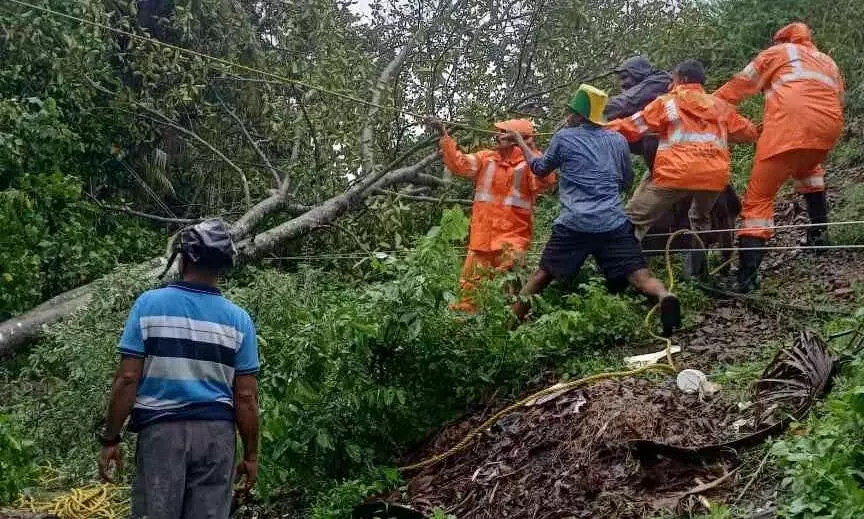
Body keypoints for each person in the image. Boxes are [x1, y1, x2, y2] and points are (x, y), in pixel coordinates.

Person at [97, 219, 260, 519]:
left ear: (183, 258)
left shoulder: (149, 305)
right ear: (222, 266)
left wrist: (111, 438)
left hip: (162, 435)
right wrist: (251, 456)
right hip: (217, 438)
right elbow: (247, 398)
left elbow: (127, 378)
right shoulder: (239, 321)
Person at [509, 84, 681, 336]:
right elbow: (626, 180)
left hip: (574, 223)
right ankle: (664, 295)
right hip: (612, 221)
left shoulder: (564, 138)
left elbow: (539, 168)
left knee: (541, 276)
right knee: (640, 275)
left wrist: (520, 143)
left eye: (572, 113)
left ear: (580, 116)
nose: (568, 117)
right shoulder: (618, 139)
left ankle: (507, 328)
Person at [714, 22, 844, 292]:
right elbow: (836, 95)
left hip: (788, 131)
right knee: (810, 171)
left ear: (781, 40)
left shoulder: (778, 53)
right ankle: (820, 239)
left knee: (758, 201)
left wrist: (706, 103)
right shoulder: (828, 61)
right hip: (827, 132)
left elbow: (741, 84)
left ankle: (747, 278)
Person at [608, 59, 758, 278]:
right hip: (713, 177)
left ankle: (623, 270)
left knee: (632, 218)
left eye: (674, 78)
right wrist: (724, 133)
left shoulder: (668, 103)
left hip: (677, 174)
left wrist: (600, 128)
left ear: (683, 79)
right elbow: (749, 132)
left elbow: (632, 127)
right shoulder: (719, 105)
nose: (671, 83)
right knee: (700, 218)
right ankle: (697, 275)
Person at [426, 117, 556, 312]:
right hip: (482, 240)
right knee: (469, 291)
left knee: (509, 292)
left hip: (512, 241)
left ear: (517, 138)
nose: (496, 136)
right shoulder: (486, 158)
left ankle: (508, 332)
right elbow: (458, 163)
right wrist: (444, 135)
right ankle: (465, 330)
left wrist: (530, 146)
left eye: (503, 133)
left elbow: (546, 180)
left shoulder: (529, 164)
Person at [604, 55, 673, 175]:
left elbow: (623, 104)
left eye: (625, 77)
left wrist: (590, 109)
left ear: (639, 72)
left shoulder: (660, 81)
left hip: (681, 152)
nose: (622, 84)